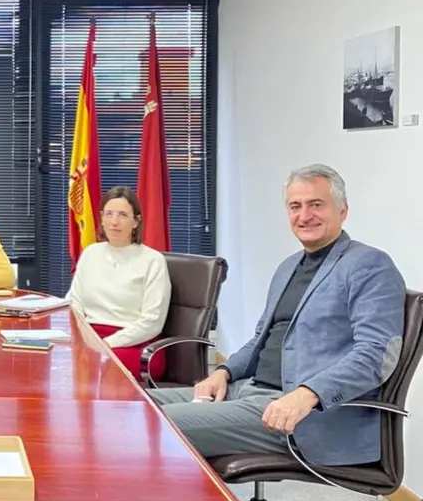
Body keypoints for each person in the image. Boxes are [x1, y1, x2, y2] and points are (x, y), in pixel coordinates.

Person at [149, 164, 405, 466]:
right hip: (245, 390)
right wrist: (224, 372)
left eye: (316, 205)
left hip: (299, 411)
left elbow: (377, 355)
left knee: (150, 428)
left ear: (343, 210)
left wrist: (308, 394)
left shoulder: (369, 265)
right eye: (295, 206)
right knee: (124, 409)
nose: (304, 215)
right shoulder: (289, 266)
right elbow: (261, 339)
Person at [67, 186, 172, 381]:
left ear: (136, 222)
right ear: (101, 218)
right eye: (109, 214)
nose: (114, 222)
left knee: (97, 364)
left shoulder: (152, 260)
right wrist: (86, 337)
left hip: (134, 342)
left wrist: (106, 343)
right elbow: (74, 302)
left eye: (123, 215)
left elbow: (152, 322)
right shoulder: (91, 253)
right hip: (89, 335)